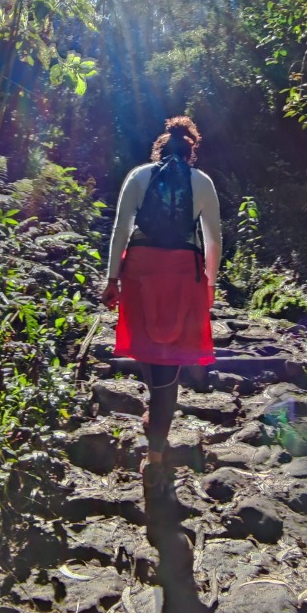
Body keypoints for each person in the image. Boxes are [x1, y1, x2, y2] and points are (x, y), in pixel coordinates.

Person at [101, 116, 222, 497]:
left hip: (141, 269)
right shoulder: (202, 183)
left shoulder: (138, 176)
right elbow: (213, 240)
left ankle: (154, 416)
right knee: (170, 361)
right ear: (191, 150)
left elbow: (121, 229)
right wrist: (210, 285)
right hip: (181, 273)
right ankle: (155, 456)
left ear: (160, 147)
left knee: (150, 346)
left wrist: (111, 278)